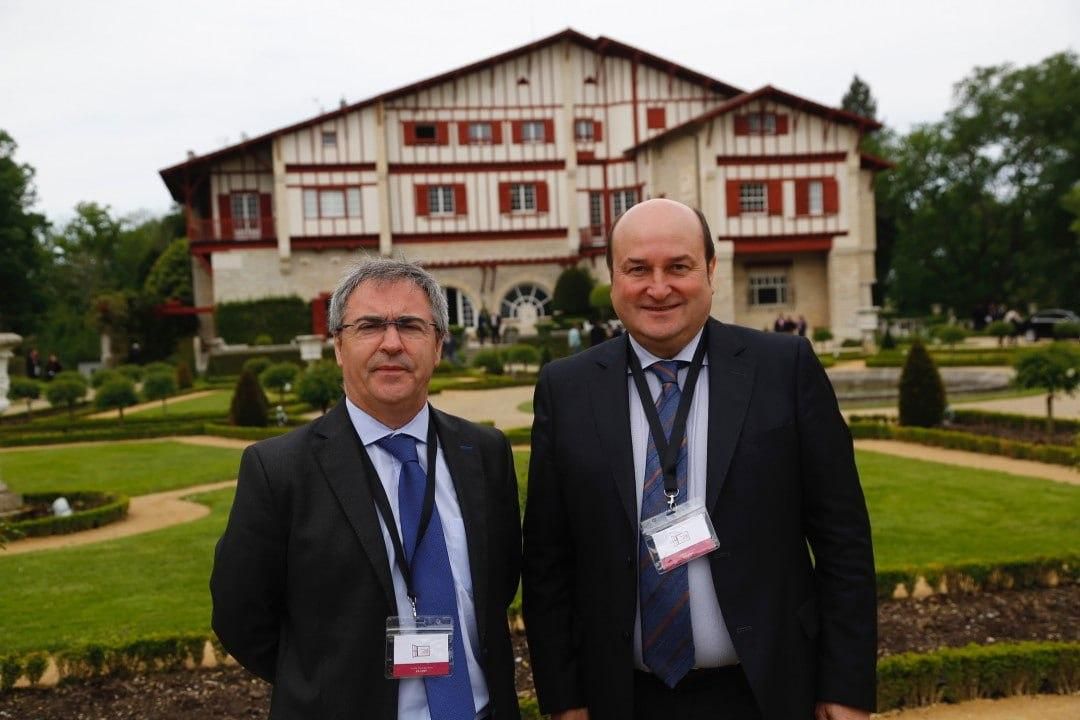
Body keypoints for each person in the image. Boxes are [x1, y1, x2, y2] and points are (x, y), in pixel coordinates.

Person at [522, 199, 876, 720]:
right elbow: (547, 563)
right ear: (614, 277)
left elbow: (843, 539)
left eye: (679, 267)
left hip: (766, 692)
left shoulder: (784, 368)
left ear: (711, 270)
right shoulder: (566, 388)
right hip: (621, 699)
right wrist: (564, 697)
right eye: (637, 269)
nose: (658, 287)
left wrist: (845, 686)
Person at [211, 258, 522, 719]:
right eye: (370, 325)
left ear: (438, 345)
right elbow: (241, 617)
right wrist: (321, 685)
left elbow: (501, 584)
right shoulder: (279, 470)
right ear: (339, 344)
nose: (391, 343)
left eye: (412, 326)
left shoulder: (484, 452)